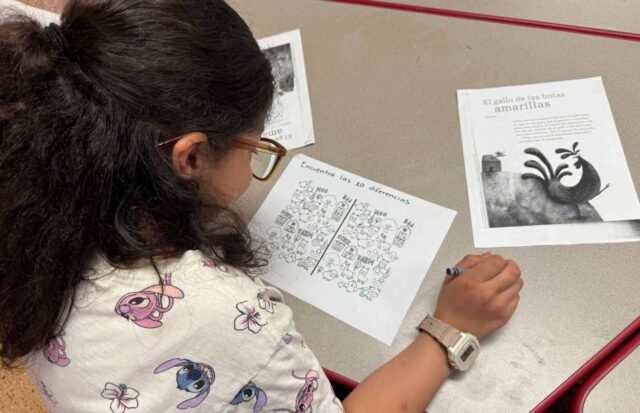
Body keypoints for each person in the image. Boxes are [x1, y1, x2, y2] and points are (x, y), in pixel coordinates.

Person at [0, 1, 523, 412]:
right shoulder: (219, 317)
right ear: (191, 157)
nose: (257, 161)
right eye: (255, 147)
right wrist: (448, 332)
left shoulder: (26, 161)